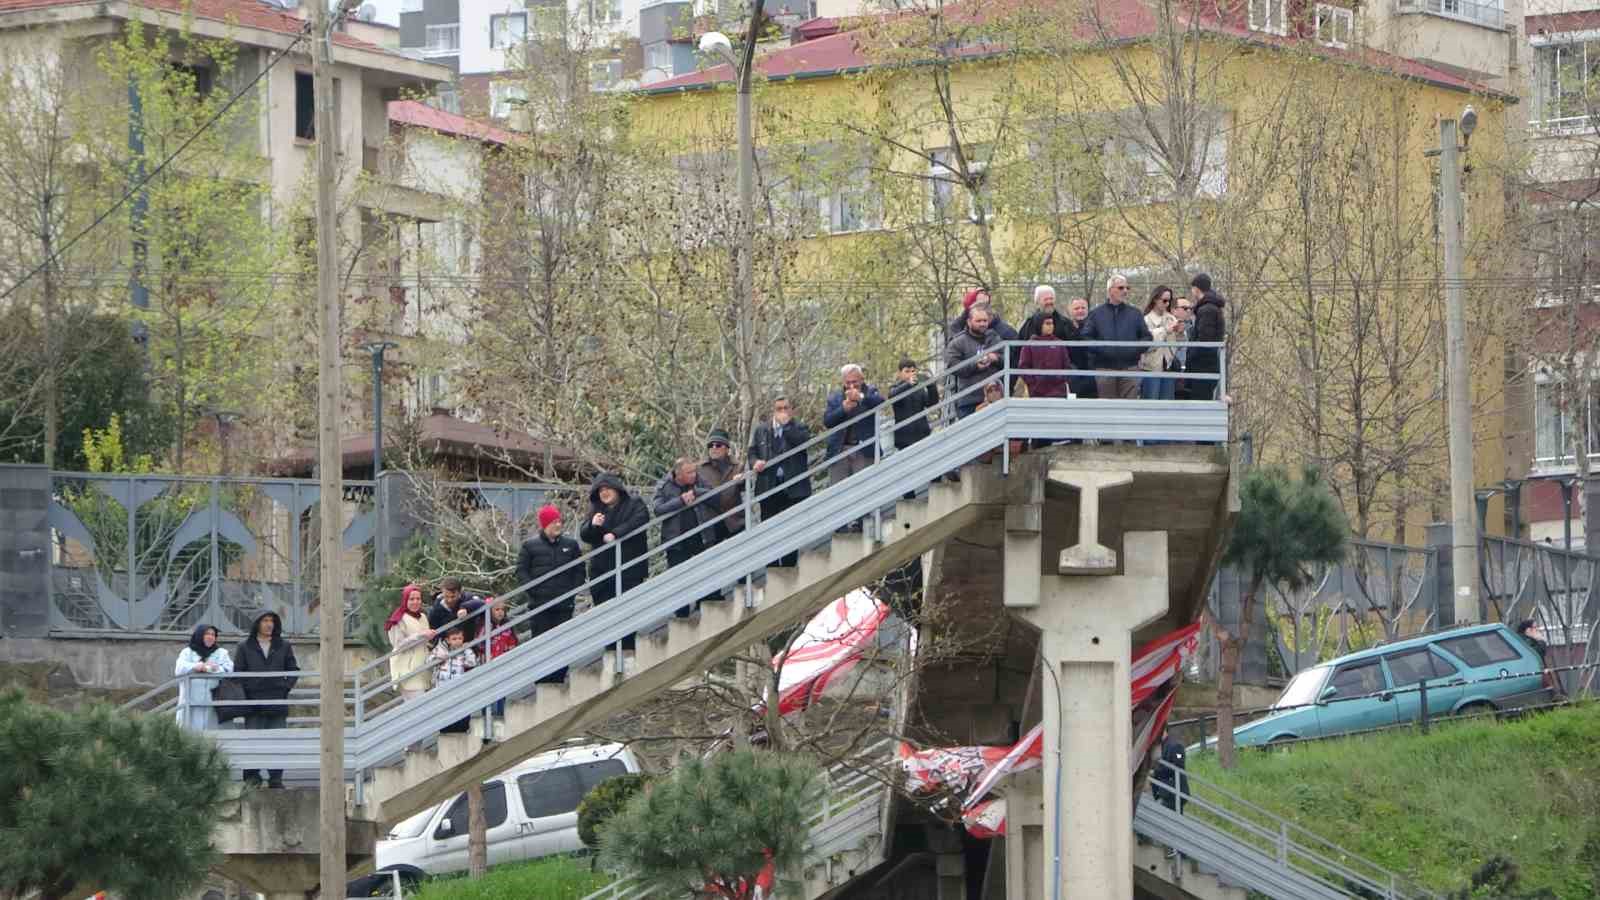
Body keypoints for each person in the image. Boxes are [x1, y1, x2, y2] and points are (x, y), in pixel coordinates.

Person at [517, 505, 584, 682]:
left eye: (559, 521)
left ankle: (559, 678)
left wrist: (572, 590)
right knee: (541, 643)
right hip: (540, 605)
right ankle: (542, 678)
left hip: (563, 605)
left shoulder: (571, 545)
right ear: (545, 523)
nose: (558, 524)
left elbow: (579, 570)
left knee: (562, 643)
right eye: (554, 521)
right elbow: (521, 571)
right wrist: (534, 590)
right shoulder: (530, 546)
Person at [234, 611, 299, 788]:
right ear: (257, 623)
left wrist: (284, 688)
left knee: (277, 741)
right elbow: (237, 673)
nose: (269, 624)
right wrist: (247, 692)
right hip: (253, 703)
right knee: (252, 742)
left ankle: (276, 778)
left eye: (272, 621)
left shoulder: (283, 645)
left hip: (277, 701)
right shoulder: (244, 646)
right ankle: (252, 778)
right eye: (265, 621)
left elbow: (293, 670)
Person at [749, 397, 812, 567]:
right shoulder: (762, 430)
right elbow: (752, 452)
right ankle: (771, 564)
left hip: (793, 487)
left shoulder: (799, 427)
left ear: (791, 410)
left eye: (786, 408)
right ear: (773, 411)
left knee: (790, 527)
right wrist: (755, 462)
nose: (782, 412)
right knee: (769, 527)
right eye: (779, 409)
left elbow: (803, 442)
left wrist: (787, 427)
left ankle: (789, 564)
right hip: (768, 486)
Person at [653, 457, 716, 617]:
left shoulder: (698, 480)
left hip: (700, 533)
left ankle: (707, 602)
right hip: (676, 539)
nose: (694, 475)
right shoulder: (665, 486)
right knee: (679, 578)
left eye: (694, 471)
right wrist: (680, 501)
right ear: (678, 474)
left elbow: (714, 495)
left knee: (705, 570)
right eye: (689, 472)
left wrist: (695, 493)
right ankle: (682, 612)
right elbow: (658, 509)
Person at [580, 472, 650, 606]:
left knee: (628, 610)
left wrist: (615, 534)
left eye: (607, 488)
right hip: (601, 572)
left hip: (629, 570)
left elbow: (641, 519)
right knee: (604, 612)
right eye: (600, 490)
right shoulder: (596, 509)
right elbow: (584, 535)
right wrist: (592, 525)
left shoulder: (634, 503)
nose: (604, 492)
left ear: (616, 488)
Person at [1079, 275, 1152, 401]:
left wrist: (1134, 350)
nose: (1125, 291)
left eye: (1127, 288)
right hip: (1105, 369)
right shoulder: (1096, 314)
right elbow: (1085, 338)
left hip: (1130, 369)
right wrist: (1103, 349)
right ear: (1110, 290)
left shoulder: (1135, 313)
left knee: (1129, 410)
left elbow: (1147, 337)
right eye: (1121, 287)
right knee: (1107, 410)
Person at [822, 364, 886, 495]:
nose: (851, 386)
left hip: (864, 449)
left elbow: (881, 403)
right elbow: (827, 422)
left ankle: (867, 516)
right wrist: (843, 410)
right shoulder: (835, 397)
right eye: (848, 382)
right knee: (838, 492)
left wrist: (861, 397)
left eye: (855, 382)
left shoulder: (871, 391)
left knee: (864, 491)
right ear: (843, 382)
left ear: (862, 379)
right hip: (839, 450)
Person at [944, 306, 1004, 418]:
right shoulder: (957, 342)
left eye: (985, 321)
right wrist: (975, 365)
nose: (982, 324)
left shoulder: (995, 338)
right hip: (969, 401)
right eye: (978, 321)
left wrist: (995, 358)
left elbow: (1008, 359)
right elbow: (952, 366)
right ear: (969, 321)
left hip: (995, 398)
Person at [175, 622, 233, 731]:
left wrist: (215, 668)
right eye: (207, 634)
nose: (211, 637)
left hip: (213, 699)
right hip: (191, 700)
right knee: (190, 732)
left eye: (213, 634)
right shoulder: (188, 652)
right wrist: (197, 666)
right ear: (199, 635)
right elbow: (179, 668)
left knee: (212, 734)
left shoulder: (221, 653)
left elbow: (229, 669)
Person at [385, 584, 435, 703]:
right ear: (405, 600)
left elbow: (425, 641)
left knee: (421, 708)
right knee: (417, 707)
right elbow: (398, 645)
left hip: (422, 667)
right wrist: (420, 635)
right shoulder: (398, 619)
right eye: (411, 599)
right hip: (407, 668)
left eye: (418, 599)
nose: (415, 602)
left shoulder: (422, 617)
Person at [698, 428, 746, 544]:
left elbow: (747, 488)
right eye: (711, 445)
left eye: (718, 445)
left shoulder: (738, 467)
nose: (714, 448)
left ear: (727, 448)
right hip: (711, 523)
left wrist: (742, 481)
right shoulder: (699, 469)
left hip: (735, 520)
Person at [430, 623, 478, 734]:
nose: (457, 641)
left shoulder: (466, 650)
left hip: (460, 686)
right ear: (448, 640)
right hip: (443, 686)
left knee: (462, 707)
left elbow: (472, 662)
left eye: (460, 638)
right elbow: (429, 661)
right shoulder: (440, 649)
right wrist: (438, 658)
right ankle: (446, 730)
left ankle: (462, 729)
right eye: (454, 639)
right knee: (444, 709)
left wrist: (464, 654)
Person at [1188, 273, 1227, 401]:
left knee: (1200, 401)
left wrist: (1191, 354)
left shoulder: (1206, 309)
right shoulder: (1212, 307)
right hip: (1208, 363)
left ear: (1196, 289)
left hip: (1203, 365)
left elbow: (1205, 340)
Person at [1151, 725, 1188, 857]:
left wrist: (1156, 771)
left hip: (1174, 791)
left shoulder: (1174, 746)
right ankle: (1176, 849)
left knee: (1172, 820)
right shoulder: (1164, 746)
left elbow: (1177, 766)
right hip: (1168, 791)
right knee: (1172, 821)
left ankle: (1179, 850)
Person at [1139, 286, 1180, 401]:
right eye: (1164, 300)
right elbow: (1146, 345)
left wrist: (1180, 333)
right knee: (1150, 405)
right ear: (1155, 299)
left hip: (1168, 367)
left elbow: (1178, 346)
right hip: (1151, 369)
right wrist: (1165, 330)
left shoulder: (1171, 318)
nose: (1167, 304)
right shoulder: (1145, 320)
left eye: (1170, 301)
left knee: (1167, 407)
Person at [1018, 312, 1071, 399]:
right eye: (1047, 323)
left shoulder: (1059, 343)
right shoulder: (1030, 345)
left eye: (1052, 323)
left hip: (1058, 393)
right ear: (1039, 325)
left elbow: (1067, 366)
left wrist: (1060, 379)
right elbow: (1023, 367)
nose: (1051, 326)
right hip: (1037, 393)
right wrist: (1034, 384)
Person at [1515, 619, 1564, 699]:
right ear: (1528, 630)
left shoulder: (1523, 640)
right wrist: (1541, 641)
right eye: (1535, 627)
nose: (1537, 630)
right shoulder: (1526, 641)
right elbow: (1537, 654)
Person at [1064, 297, 1099, 401]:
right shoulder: (1065, 328)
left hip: (1094, 377)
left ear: (1088, 309)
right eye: (1076, 308)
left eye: (1083, 308)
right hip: (1073, 378)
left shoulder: (1096, 328)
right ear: (1070, 311)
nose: (1080, 311)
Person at [1171, 292, 1195, 400]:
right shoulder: (1166, 325)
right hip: (1170, 375)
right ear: (1174, 310)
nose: (1189, 311)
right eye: (1185, 308)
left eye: (1190, 308)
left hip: (1189, 376)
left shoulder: (1194, 329)